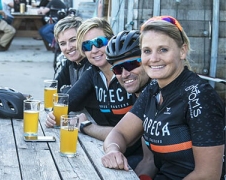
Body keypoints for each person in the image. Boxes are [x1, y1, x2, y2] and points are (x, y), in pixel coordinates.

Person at [101, 16, 225, 180]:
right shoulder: (153, 88)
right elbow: (120, 133)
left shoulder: (199, 97)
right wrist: (113, 150)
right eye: (147, 51)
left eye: (163, 50)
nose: (153, 58)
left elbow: (208, 175)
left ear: (182, 51)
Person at [45, 17, 142, 169]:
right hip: (107, 148)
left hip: (135, 155)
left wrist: (86, 126)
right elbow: (67, 101)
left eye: (99, 42)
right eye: (87, 46)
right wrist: (53, 115)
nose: (94, 50)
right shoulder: (94, 72)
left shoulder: (128, 74)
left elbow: (129, 137)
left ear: (111, 41)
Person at [106, 30, 155, 177]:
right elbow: (150, 160)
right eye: (117, 69)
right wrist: (112, 150)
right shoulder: (144, 95)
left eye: (132, 64)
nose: (125, 74)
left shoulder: (158, 92)